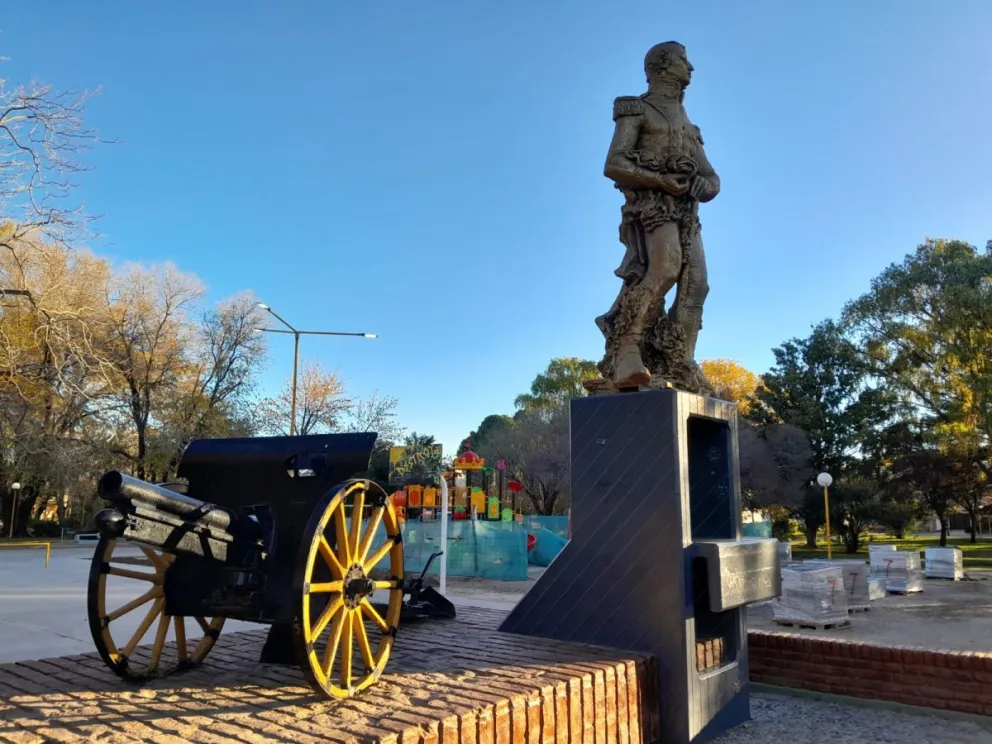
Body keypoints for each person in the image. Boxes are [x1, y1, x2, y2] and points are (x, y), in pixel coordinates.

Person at [595, 41, 720, 389]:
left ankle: (679, 362)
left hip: (686, 212)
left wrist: (705, 186)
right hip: (651, 206)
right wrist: (659, 179)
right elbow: (614, 163)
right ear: (662, 66)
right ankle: (626, 348)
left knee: (697, 285)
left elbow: (711, 176)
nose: (690, 67)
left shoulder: (689, 125)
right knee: (665, 267)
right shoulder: (636, 108)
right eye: (683, 60)